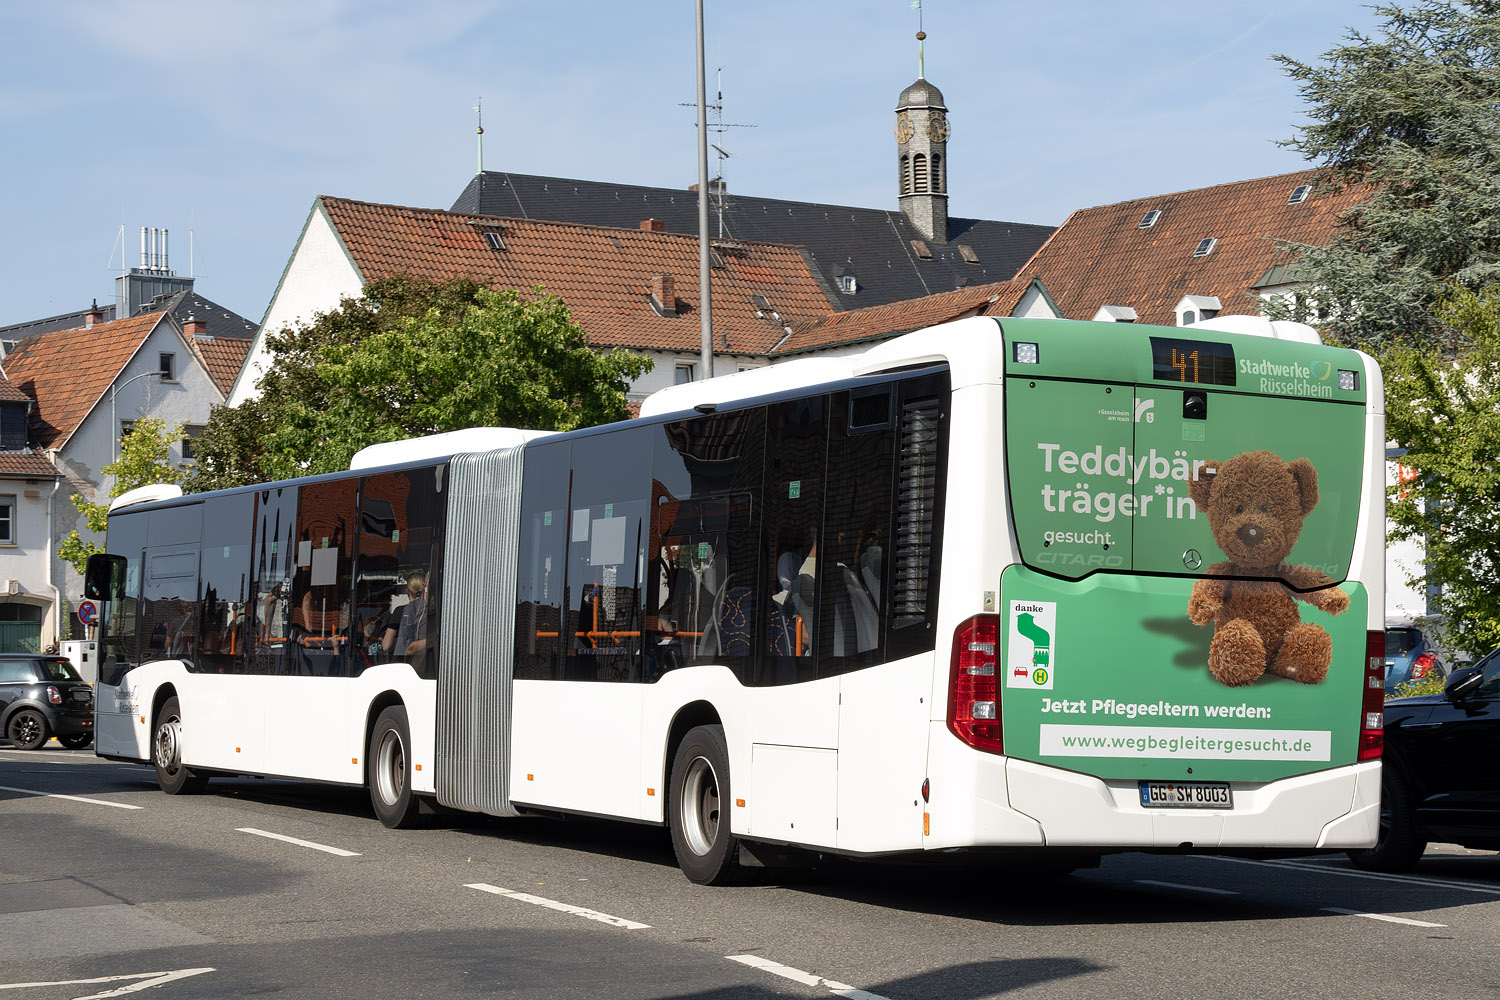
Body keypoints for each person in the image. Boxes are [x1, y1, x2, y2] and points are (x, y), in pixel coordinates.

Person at [384, 571, 427, 661]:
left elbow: (386, 645)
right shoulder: (429, 611)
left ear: (407, 590)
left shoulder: (400, 611)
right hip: (424, 661)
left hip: (401, 662)